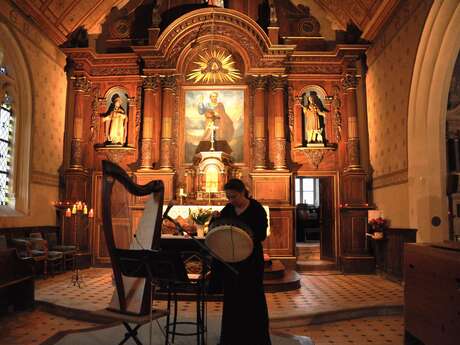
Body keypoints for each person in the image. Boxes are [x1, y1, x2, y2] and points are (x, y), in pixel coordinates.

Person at [210, 179, 271, 345]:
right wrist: (214, 218)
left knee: (252, 299)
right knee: (232, 300)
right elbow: (217, 229)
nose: (231, 200)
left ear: (243, 192)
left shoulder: (256, 208)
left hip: (250, 261)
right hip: (231, 261)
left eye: (234, 196)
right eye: (228, 197)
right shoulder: (229, 208)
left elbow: (261, 234)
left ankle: (255, 340)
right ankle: (231, 339)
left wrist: (244, 234)